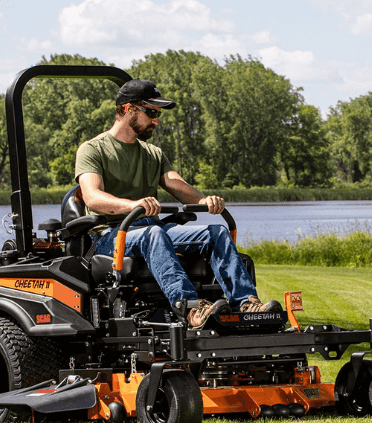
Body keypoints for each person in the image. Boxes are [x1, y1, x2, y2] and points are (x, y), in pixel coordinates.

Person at [74, 79, 280, 329]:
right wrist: (133, 205)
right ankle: (190, 308)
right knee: (154, 233)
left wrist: (205, 201)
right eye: (151, 112)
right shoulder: (93, 149)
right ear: (128, 109)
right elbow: (93, 197)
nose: (156, 120)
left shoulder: (153, 154)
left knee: (216, 232)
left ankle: (246, 304)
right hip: (111, 236)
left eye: (158, 114)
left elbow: (177, 185)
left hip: (152, 229)